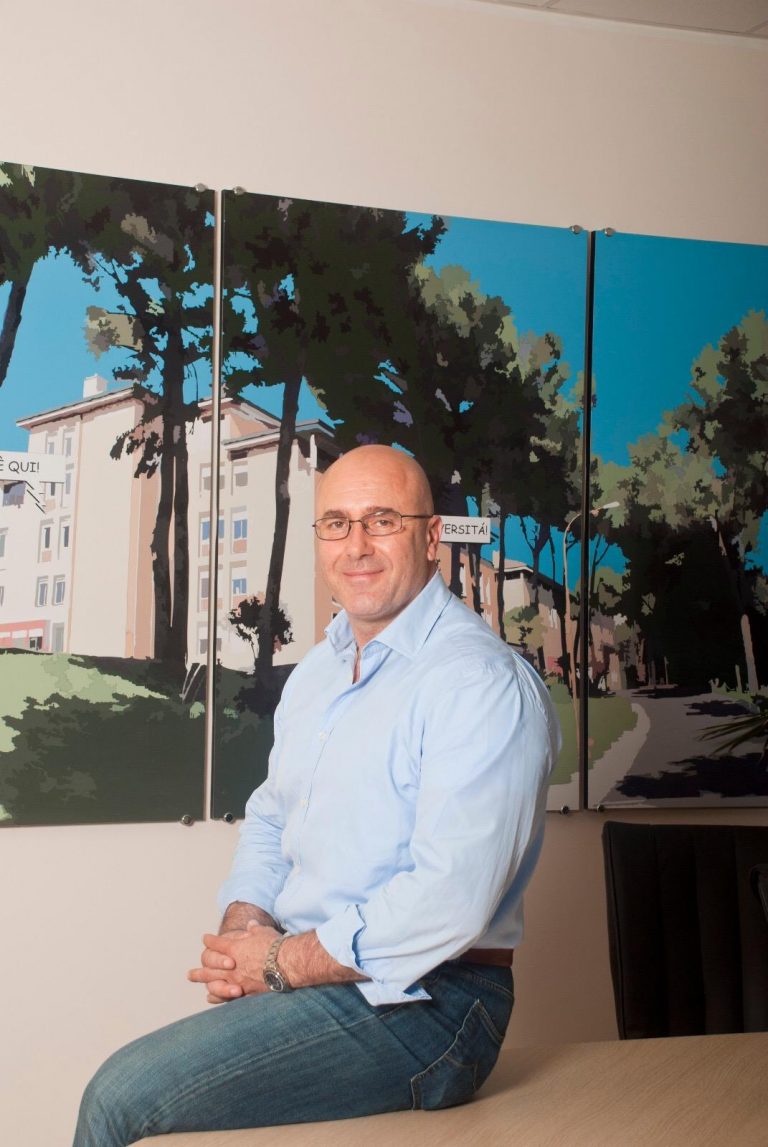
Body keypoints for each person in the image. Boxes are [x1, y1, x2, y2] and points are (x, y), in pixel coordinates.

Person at [73, 444, 560, 1145]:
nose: (356, 545)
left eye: (382, 520)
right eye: (336, 523)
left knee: (119, 1097)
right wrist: (244, 927)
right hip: (318, 975)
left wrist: (278, 962)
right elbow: (273, 816)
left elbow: (449, 899)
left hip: (435, 1002)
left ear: (430, 537)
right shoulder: (317, 674)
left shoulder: (478, 682)